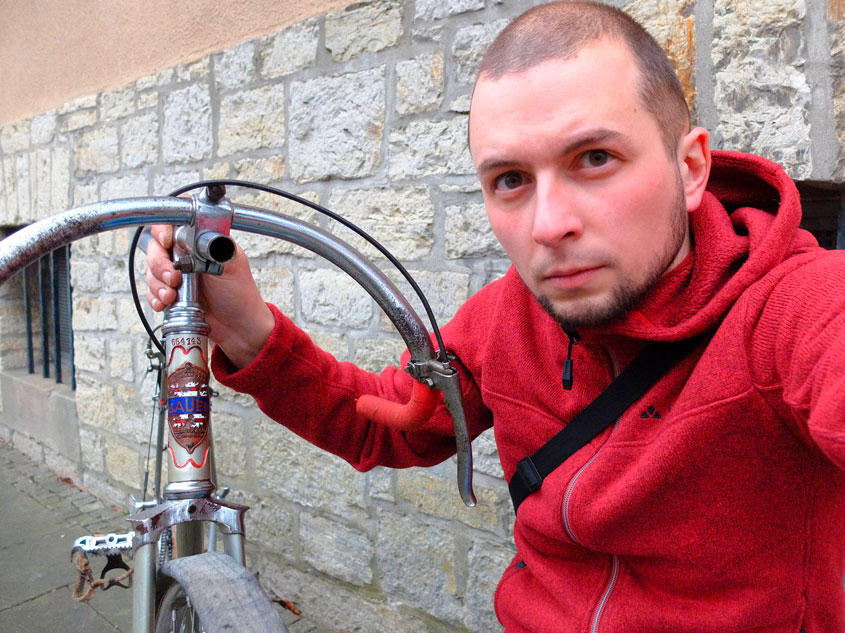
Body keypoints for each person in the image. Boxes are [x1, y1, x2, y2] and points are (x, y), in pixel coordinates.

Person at [145, 2, 845, 631]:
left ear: (690, 168)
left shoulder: (795, 307)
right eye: (510, 179)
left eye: (595, 158)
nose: (548, 224)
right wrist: (247, 331)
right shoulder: (505, 318)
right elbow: (390, 421)